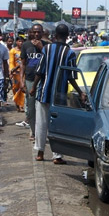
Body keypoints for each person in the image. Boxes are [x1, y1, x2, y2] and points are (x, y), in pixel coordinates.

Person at [29, 24, 86, 164]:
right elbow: (71, 77)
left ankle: (40, 153)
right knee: (56, 125)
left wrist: (33, 87)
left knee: (41, 123)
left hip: (43, 92)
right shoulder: (70, 53)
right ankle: (57, 156)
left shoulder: (46, 49)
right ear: (67, 37)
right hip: (58, 96)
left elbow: (39, 71)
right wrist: (80, 92)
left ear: (55, 36)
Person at [20, 24, 47, 140]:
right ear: (31, 32)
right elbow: (23, 64)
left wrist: (41, 48)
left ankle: (41, 132)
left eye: (39, 32)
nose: (36, 34)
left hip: (43, 81)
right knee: (31, 109)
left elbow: (50, 59)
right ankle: (34, 131)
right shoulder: (26, 45)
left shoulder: (47, 45)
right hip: (30, 80)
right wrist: (21, 80)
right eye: (34, 32)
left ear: (42, 33)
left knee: (42, 108)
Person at [9, 36, 25, 112]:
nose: (21, 43)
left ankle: (21, 105)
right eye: (19, 41)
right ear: (16, 42)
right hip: (16, 73)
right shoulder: (13, 51)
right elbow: (11, 62)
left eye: (22, 41)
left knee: (22, 89)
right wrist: (11, 71)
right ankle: (17, 104)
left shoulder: (25, 51)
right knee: (15, 88)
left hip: (23, 72)